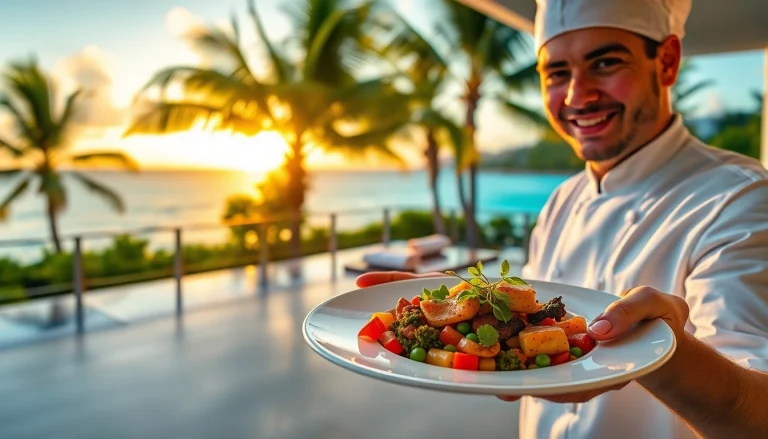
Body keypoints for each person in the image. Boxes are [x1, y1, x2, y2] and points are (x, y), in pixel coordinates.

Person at [355, 0, 768, 437]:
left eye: (605, 63)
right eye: (556, 73)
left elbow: (757, 419)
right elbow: (534, 318)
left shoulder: (740, 197)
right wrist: (469, 303)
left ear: (666, 61)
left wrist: (666, 354)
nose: (576, 95)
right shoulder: (561, 199)